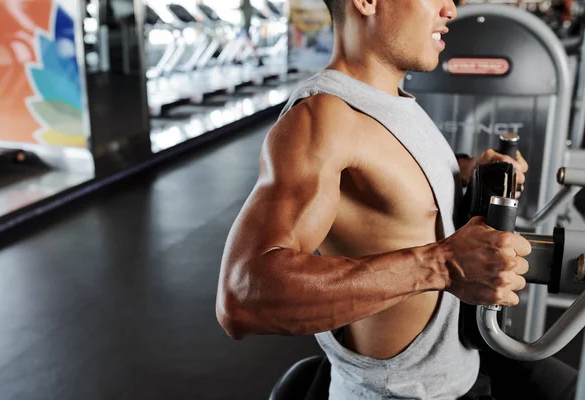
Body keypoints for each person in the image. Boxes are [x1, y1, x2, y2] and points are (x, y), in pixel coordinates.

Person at [216, 0, 577, 398]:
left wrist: (467, 174)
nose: (450, 10)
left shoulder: (390, 99)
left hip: (464, 368)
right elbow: (244, 298)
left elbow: (394, 202)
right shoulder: (322, 121)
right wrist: (441, 265)